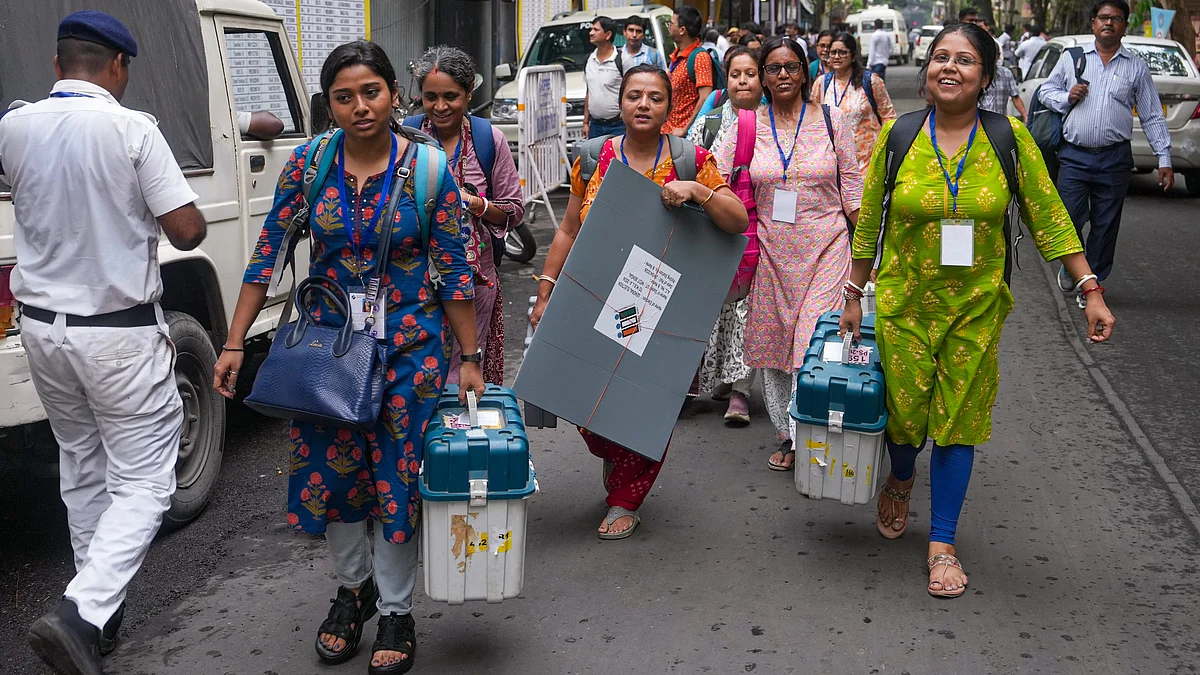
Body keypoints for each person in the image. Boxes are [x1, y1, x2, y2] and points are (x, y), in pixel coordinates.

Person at [213, 40, 485, 673]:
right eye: (344, 96)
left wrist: (468, 355)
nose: (360, 106)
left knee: (396, 479)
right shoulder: (307, 166)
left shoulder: (428, 171)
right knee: (333, 479)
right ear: (328, 105)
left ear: (396, 95)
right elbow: (267, 254)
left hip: (410, 353)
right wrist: (233, 342)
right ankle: (352, 589)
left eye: (372, 92)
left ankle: (395, 609)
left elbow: (453, 270)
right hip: (329, 352)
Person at [844, 23, 1115, 599]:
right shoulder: (899, 136)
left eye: (964, 61)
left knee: (958, 421)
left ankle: (942, 541)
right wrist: (852, 294)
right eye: (941, 57)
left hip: (976, 308)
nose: (950, 68)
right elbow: (869, 220)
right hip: (902, 305)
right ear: (927, 69)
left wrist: (1089, 288)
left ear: (985, 76)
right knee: (904, 418)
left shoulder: (1008, 138)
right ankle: (900, 474)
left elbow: (1049, 215)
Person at [0, 11, 208, 675]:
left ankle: (100, 617)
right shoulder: (131, 128)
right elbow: (186, 230)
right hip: (115, 335)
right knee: (147, 480)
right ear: (117, 68)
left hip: (41, 330)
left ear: (60, 66)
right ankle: (81, 612)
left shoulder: (14, 124)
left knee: (83, 466)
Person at [529, 65, 748, 538]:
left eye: (654, 97)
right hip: (594, 299)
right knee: (583, 395)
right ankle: (617, 452)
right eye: (634, 96)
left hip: (661, 308)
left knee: (649, 403)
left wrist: (699, 191)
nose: (643, 105)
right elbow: (568, 229)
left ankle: (626, 496)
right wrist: (546, 291)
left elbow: (736, 222)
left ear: (671, 106)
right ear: (620, 102)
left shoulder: (692, 159)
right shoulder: (593, 158)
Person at [712, 36, 863, 471]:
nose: (782, 75)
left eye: (791, 67)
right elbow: (716, 177)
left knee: (810, 343)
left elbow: (851, 185)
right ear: (761, 76)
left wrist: (870, 243)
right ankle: (787, 431)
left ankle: (808, 432)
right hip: (769, 253)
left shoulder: (834, 121)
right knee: (776, 348)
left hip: (827, 247)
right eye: (773, 68)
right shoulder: (745, 125)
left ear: (805, 71)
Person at [1038, 0, 1173, 295]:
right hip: (1074, 155)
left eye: (1116, 18)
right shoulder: (1072, 58)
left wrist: (1164, 158)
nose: (1109, 22)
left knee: (1106, 223)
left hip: (1114, 157)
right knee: (1069, 217)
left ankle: (1092, 283)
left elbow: (1151, 114)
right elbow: (1045, 91)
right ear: (1093, 24)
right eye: (1103, 17)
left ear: (1125, 25)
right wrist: (1067, 97)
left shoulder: (1135, 67)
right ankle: (1075, 263)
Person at [409, 46, 525, 386]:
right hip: (413, 284)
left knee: (466, 380)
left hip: (476, 284)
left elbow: (514, 210)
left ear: (469, 93)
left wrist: (474, 203)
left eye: (451, 96)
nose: (440, 107)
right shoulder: (405, 139)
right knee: (419, 379)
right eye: (430, 97)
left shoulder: (490, 140)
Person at [691, 46, 765, 425]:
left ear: (761, 78)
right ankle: (718, 378)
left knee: (747, 310)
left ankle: (740, 391)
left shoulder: (772, 122)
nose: (742, 81)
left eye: (750, 74)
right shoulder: (710, 122)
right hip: (716, 225)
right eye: (735, 74)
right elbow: (691, 163)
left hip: (760, 229)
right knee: (716, 307)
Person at [813, 32, 898, 173]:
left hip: (868, 161)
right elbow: (812, 120)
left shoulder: (871, 81)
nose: (836, 56)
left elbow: (888, 118)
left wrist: (884, 151)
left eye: (842, 52)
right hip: (833, 162)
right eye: (833, 52)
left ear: (853, 56)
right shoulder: (822, 84)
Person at [665, 6, 716, 137]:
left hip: (685, 136)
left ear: (682, 30)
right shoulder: (677, 56)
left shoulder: (700, 57)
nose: (669, 27)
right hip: (669, 130)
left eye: (671, 23)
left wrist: (686, 129)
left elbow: (705, 97)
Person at [584, 16, 625, 140]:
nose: (591, 33)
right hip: (595, 125)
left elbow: (631, 89)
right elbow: (588, 92)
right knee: (595, 159)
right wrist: (586, 122)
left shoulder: (622, 59)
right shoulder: (588, 60)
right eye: (591, 29)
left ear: (608, 35)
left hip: (618, 125)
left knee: (618, 158)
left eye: (596, 30)